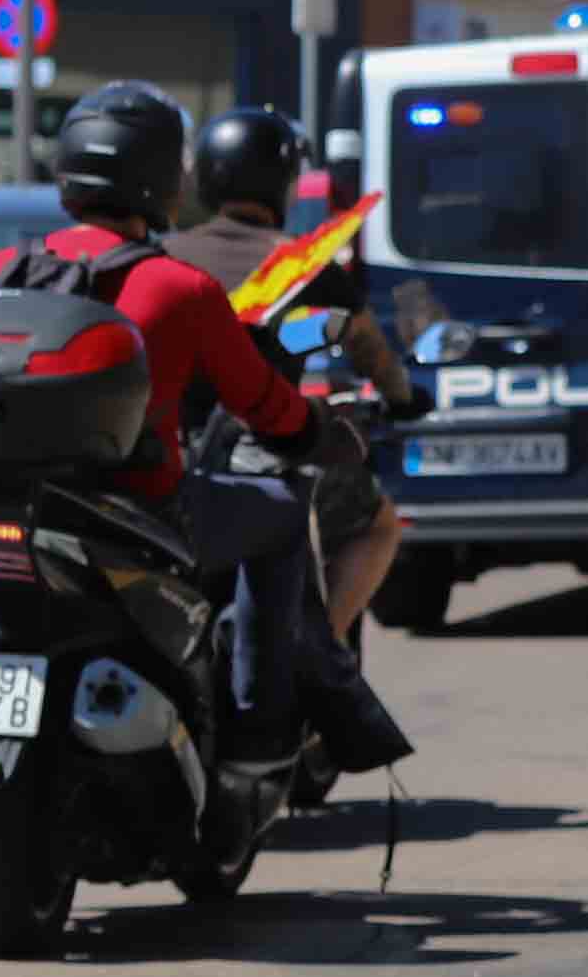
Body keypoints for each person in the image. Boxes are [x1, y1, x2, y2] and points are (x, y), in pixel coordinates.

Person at [0, 81, 355, 917]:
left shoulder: (5, 268)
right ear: (164, 179)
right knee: (277, 517)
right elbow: (263, 406)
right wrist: (315, 433)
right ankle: (252, 739)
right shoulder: (180, 289)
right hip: (137, 516)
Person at [168, 106, 424, 641]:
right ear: (282, 183)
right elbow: (366, 345)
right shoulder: (297, 263)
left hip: (172, 457)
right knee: (377, 525)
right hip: (267, 449)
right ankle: (318, 649)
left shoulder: (164, 254)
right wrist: (401, 397)